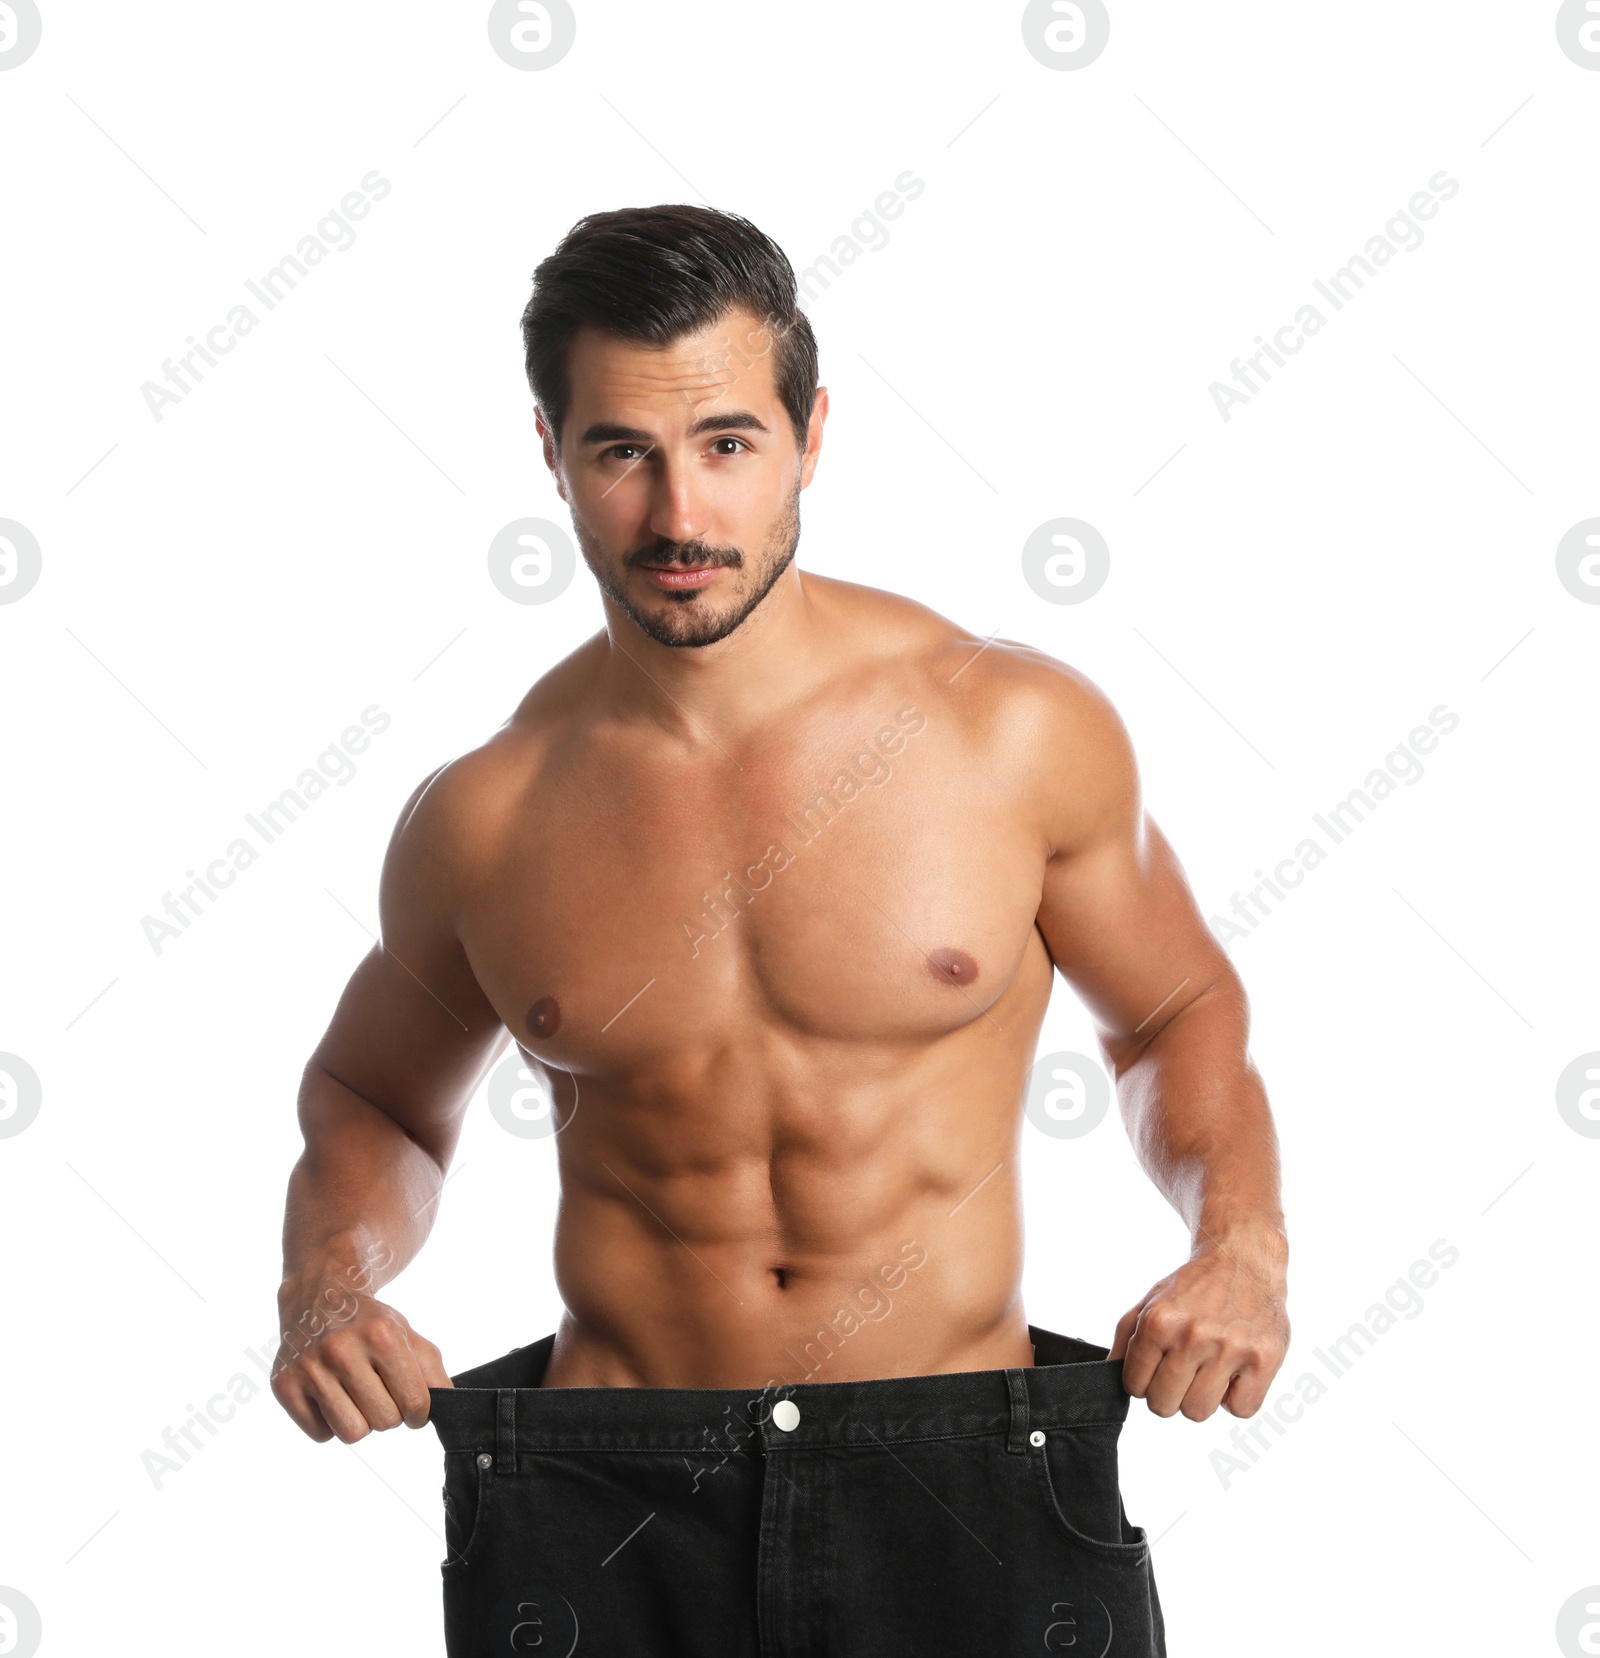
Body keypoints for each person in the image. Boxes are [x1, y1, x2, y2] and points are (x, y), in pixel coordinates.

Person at [271, 204, 1288, 1655]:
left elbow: (1177, 1006)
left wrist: (1239, 1247)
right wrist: (329, 1286)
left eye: (730, 444)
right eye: (624, 450)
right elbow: (374, 1093)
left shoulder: (1011, 732)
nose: (681, 515)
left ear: (814, 432)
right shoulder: (486, 819)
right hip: (608, 1491)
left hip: (964, 1475)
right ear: (549, 453)